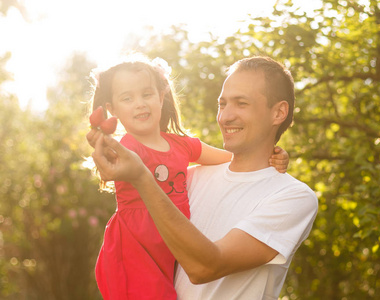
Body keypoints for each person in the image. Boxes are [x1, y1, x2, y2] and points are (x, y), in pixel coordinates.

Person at [89, 56, 318, 299]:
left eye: (241, 103)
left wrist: (142, 177)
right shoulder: (187, 179)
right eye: (222, 104)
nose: (225, 117)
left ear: (279, 112)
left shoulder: (292, 197)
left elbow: (206, 267)